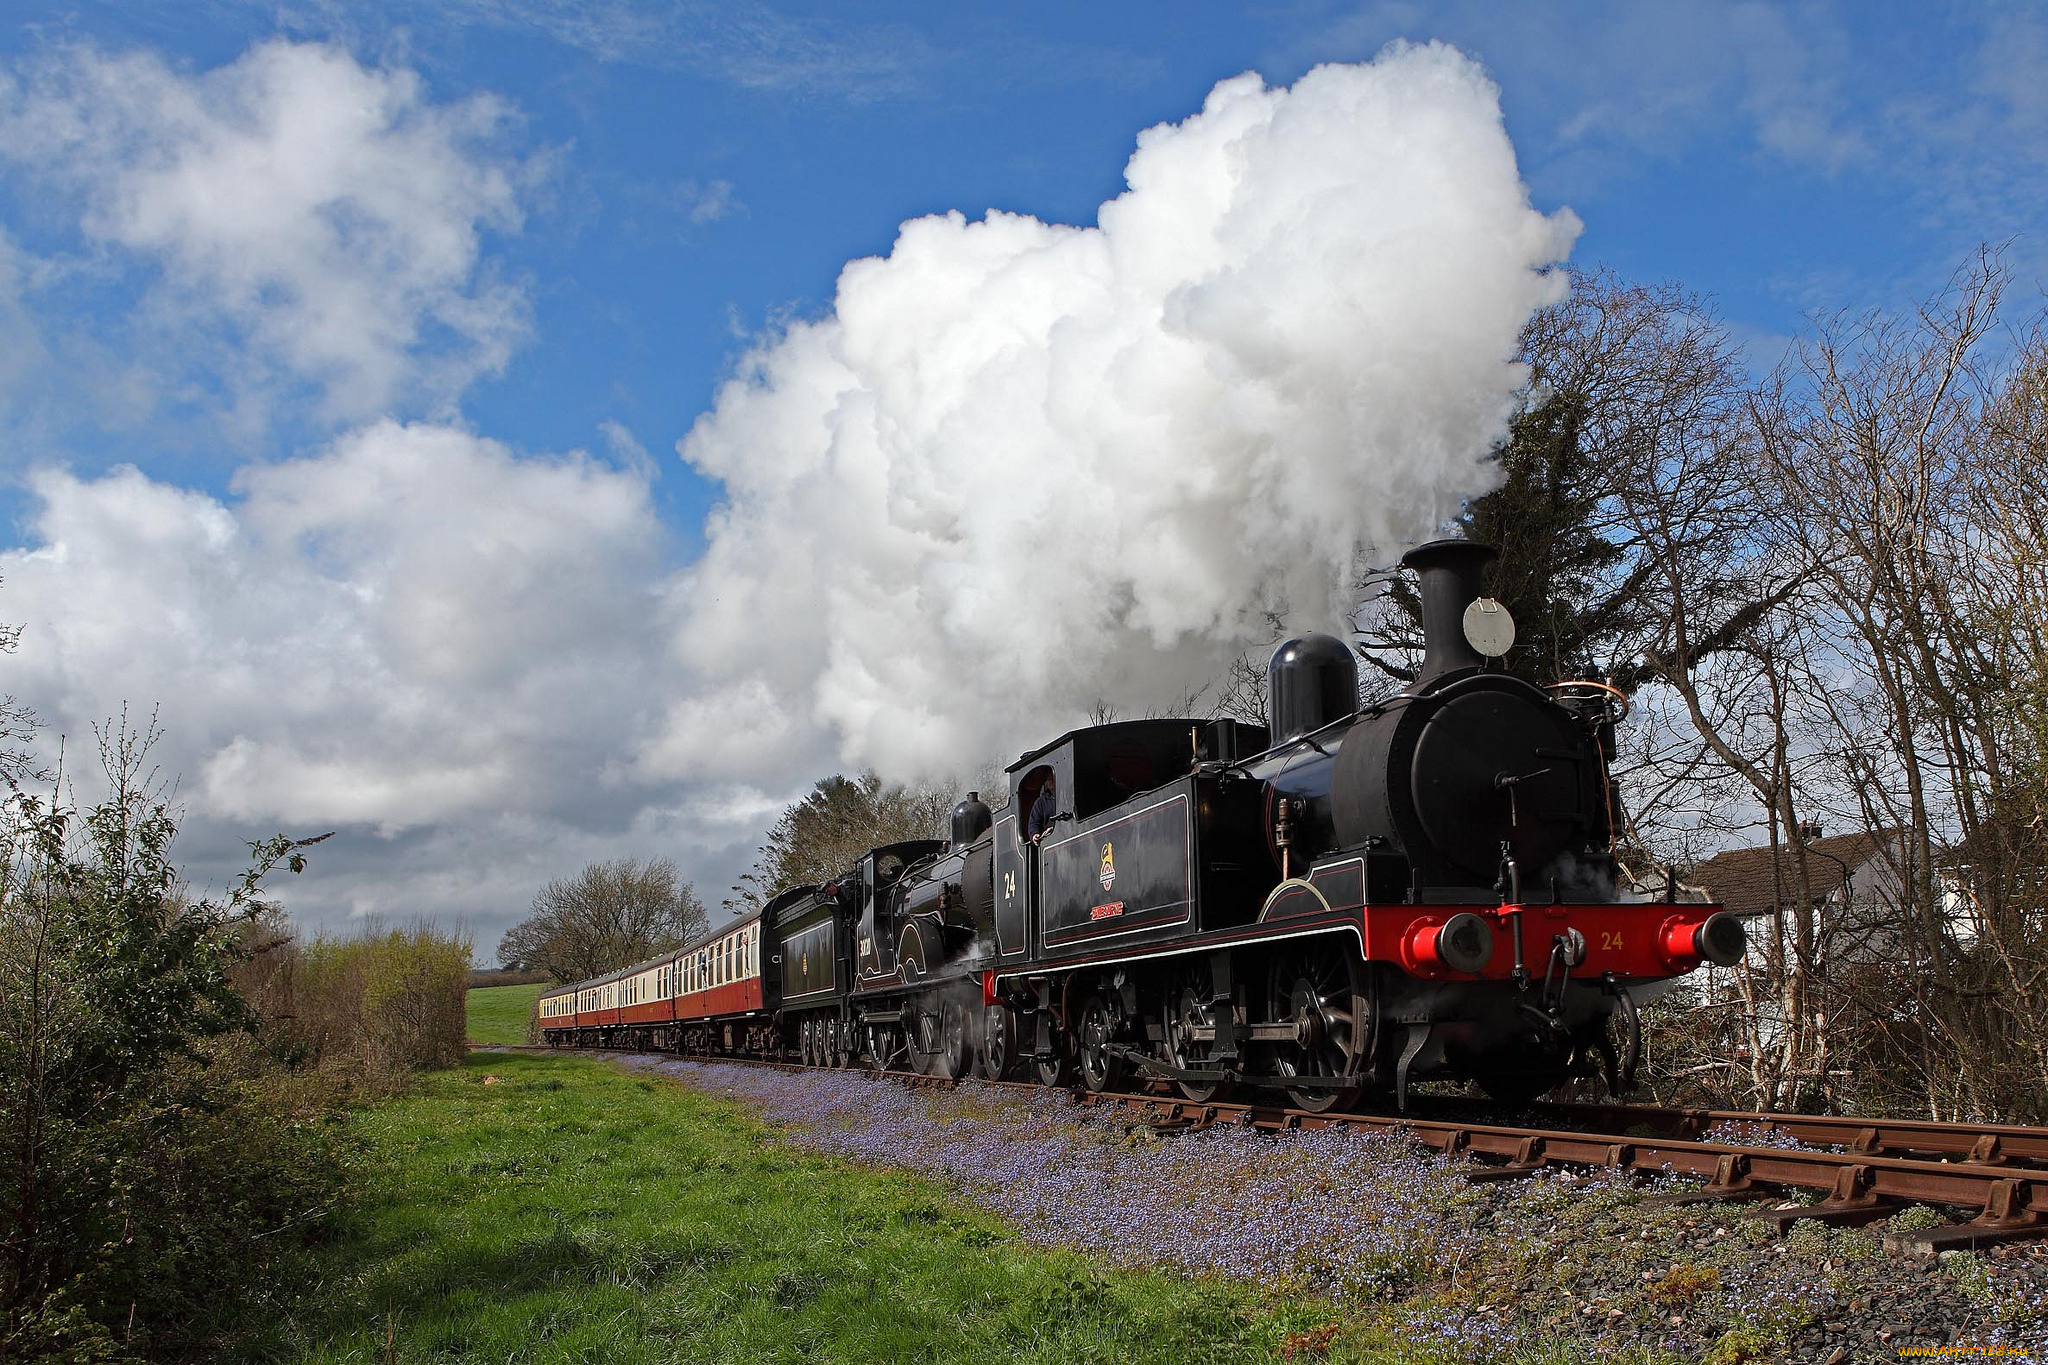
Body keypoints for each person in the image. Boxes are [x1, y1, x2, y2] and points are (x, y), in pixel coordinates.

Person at [1026, 774, 1057, 843]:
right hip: (1050, 839)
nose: (1050, 781)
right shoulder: (1040, 802)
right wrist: (1034, 834)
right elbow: (1034, 822)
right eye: (1048, 779)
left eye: (1052, 778)